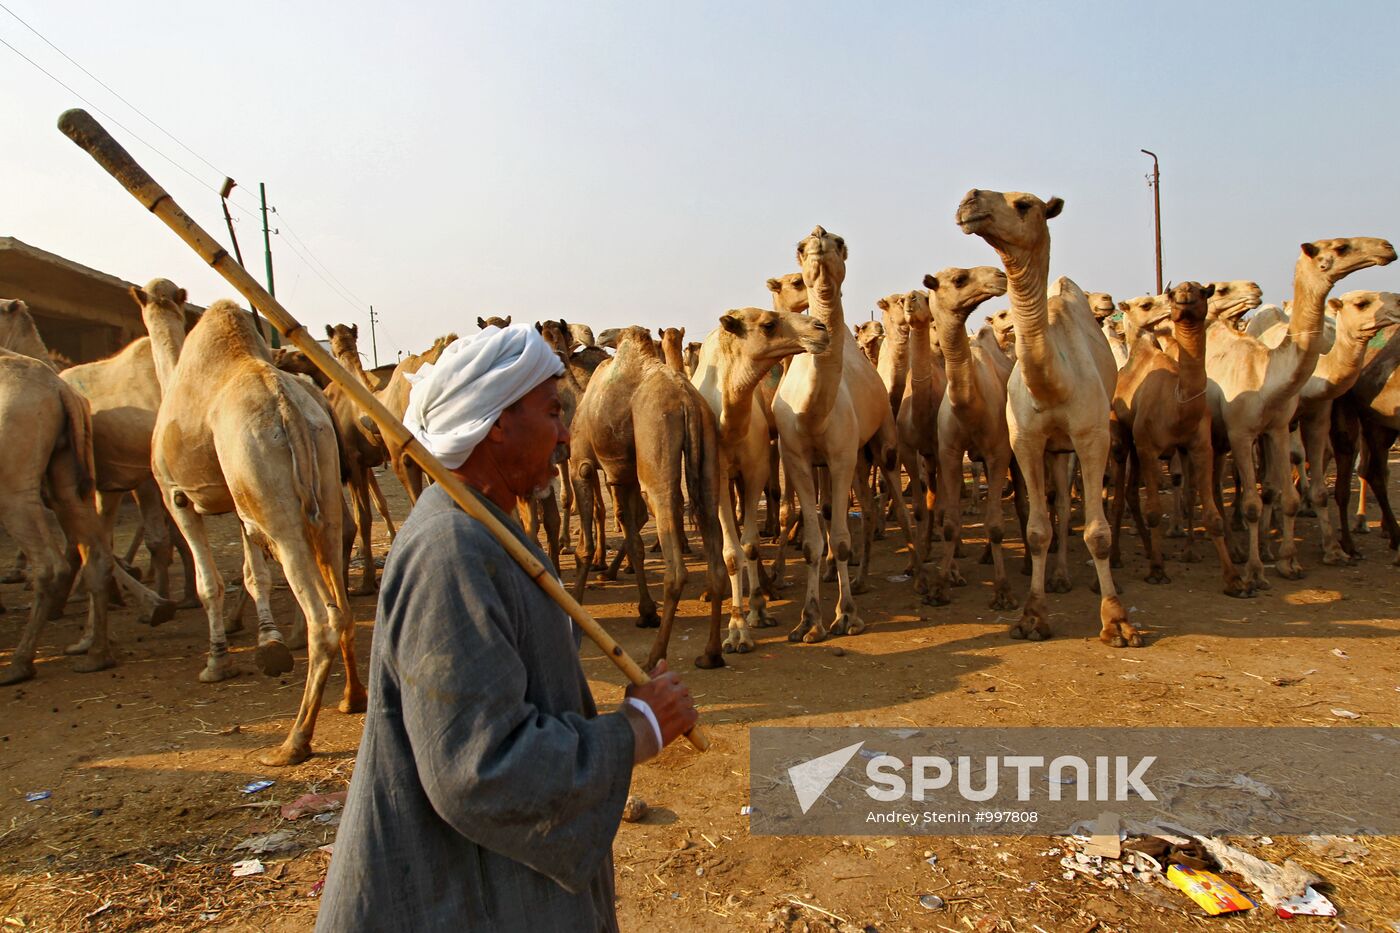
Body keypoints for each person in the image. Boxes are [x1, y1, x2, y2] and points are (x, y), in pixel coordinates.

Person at [316, 324, 699, 932]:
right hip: (458, 897)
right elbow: (477, 765)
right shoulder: (451, 550)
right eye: (552, 413)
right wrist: (633, 733)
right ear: (495, 423)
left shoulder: (489, 528)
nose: (568, 435)